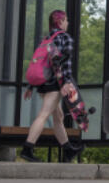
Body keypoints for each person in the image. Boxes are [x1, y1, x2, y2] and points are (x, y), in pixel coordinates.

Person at [18, 10, 84, 163]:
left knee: (58, 117)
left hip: (42, 84)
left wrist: (30, 86)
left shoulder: (47, 39)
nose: (67, 23)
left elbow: (40, 64)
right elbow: (65, 62)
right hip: (54, 85)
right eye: (66, 20)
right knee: (44, 115)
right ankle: (27, 149)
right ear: (60, 22)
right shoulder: (65, 38)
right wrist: (67, 82)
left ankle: (68, 150)